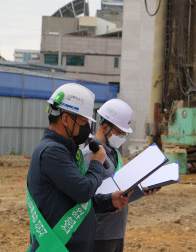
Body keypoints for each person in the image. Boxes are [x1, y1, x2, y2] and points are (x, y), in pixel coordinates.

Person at [26, 83, 129, 252]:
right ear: (66, 119)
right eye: (83, 121)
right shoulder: (52, 152)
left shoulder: (66, 150)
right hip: (56, 247)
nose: (87, 127)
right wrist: (97, 163)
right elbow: (83, 191)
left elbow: (74, 201)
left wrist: (109, 201)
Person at [82, 98, 159, 252]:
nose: (123, 137)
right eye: (120, 132)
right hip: (98, 234)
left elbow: (119, 191)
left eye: (125, 133)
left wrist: (141, 190)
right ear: (104, 127)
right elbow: (83, 196)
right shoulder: (89, 155)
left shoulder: (115, 154)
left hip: (116, 231)